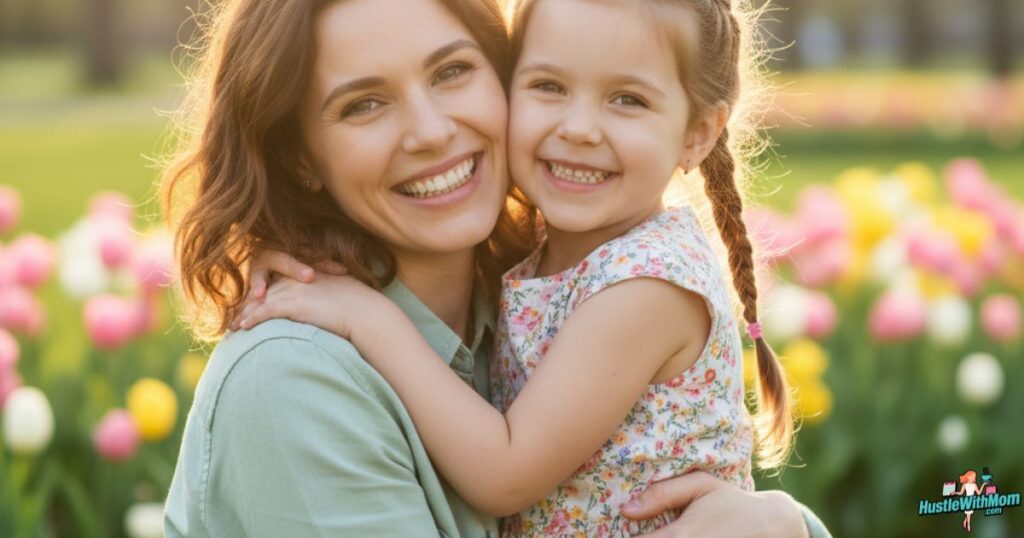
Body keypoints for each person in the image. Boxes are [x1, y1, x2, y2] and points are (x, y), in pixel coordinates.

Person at [161, 0, 830, 535]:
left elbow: (510, 471)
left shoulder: (580, 290)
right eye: (363, 103)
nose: (430, 131)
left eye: (452, 71)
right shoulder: (293, 380)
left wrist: (783, 525)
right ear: (299, 154)